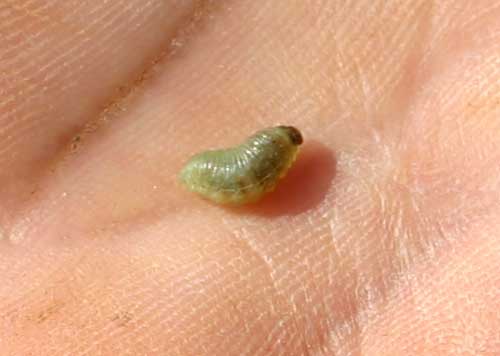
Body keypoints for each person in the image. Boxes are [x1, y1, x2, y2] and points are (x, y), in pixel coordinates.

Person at [1, 1, 499, 355]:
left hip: (213, 171)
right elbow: (243, 173)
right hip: (209, 172)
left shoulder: (270, 152)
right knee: (205, 171)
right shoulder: (267, 154)